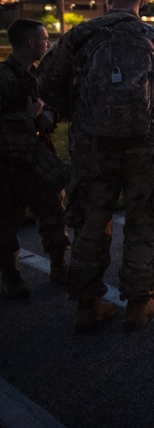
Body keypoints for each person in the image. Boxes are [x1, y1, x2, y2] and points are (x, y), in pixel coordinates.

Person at [38, 0, 154, 333]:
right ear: (142, 0)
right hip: (145, 146)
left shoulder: (81, 35)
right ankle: (138, 302)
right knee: (145, 219)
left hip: (92, 145)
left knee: (91, 219)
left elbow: (48, 80)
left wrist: (74, 115)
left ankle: (87, 303)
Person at [0, 19, 71, 298]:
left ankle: (59, 264)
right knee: (6, 221)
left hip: (39, 160)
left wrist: (48, 116)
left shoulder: (36, 77)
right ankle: (11, 275)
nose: (47, 44)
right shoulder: (4, 77)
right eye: (44, 39)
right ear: (30, 43)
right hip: (9, 163)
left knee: (54, 214)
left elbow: (49, 112)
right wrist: (28, 118)